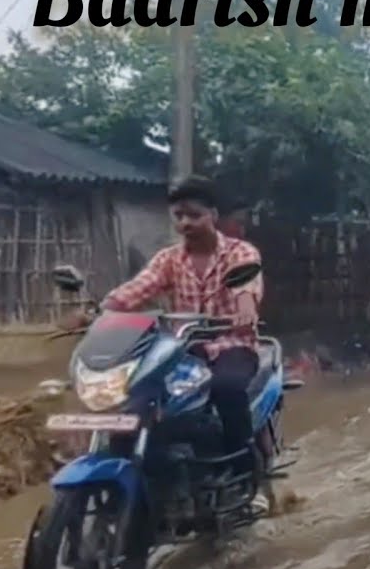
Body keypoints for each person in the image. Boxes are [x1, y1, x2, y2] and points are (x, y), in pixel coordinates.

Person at [70, 176, 270, 515]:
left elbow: (246, 287)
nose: (185, 223)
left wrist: (245, 310)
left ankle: (246, 477)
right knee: (137, 395)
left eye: (193, 215)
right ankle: (143, 478)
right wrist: (99, 312)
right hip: (182, 349)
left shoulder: (240, 253)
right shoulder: (169, 259)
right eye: (178, 216)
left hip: (231, 344)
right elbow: (137, 289)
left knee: (227, 388)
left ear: (213, 215)